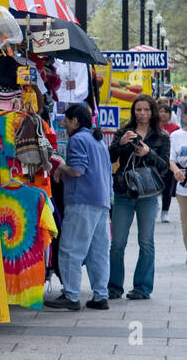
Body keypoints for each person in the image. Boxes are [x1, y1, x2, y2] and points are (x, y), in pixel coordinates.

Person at [45, 104, 112, 310]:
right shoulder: (98, 140)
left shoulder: (78, 139)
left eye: (66, 120)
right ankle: (101, 295)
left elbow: (77, 170)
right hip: (101, 202)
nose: (63, 123)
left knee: (70, 249)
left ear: (75, 121)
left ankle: (71, 295)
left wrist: (60, 167)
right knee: (97, 252)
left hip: (82, 201)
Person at [108, 94, 172, 299]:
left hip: (148, 194)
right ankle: (113, 286)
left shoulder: (161, 137)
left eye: (146, 110)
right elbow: (109, 157)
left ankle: (142, 287)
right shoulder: (123, 132)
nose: (142, 113)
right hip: (124, 193)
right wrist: (120, 144)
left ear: (152, 111)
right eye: (138, 110)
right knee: (117, 243)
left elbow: (164, 167)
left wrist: (148, 153)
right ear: (133, 111)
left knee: (146, 242)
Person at [158, 101, 180, 222]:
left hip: (170, 162)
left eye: (165, 112)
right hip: (156, 161)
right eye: (160, 111)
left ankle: (165, 211)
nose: (163, 114)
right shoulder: (153, 127)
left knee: (167, 187)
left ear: (170, 114)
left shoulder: (175, 129)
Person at [171, 123, 187, 263]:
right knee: (186, 222)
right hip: (183, 186)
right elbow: (171, 159)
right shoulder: (176, 136)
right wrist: (176, 170)